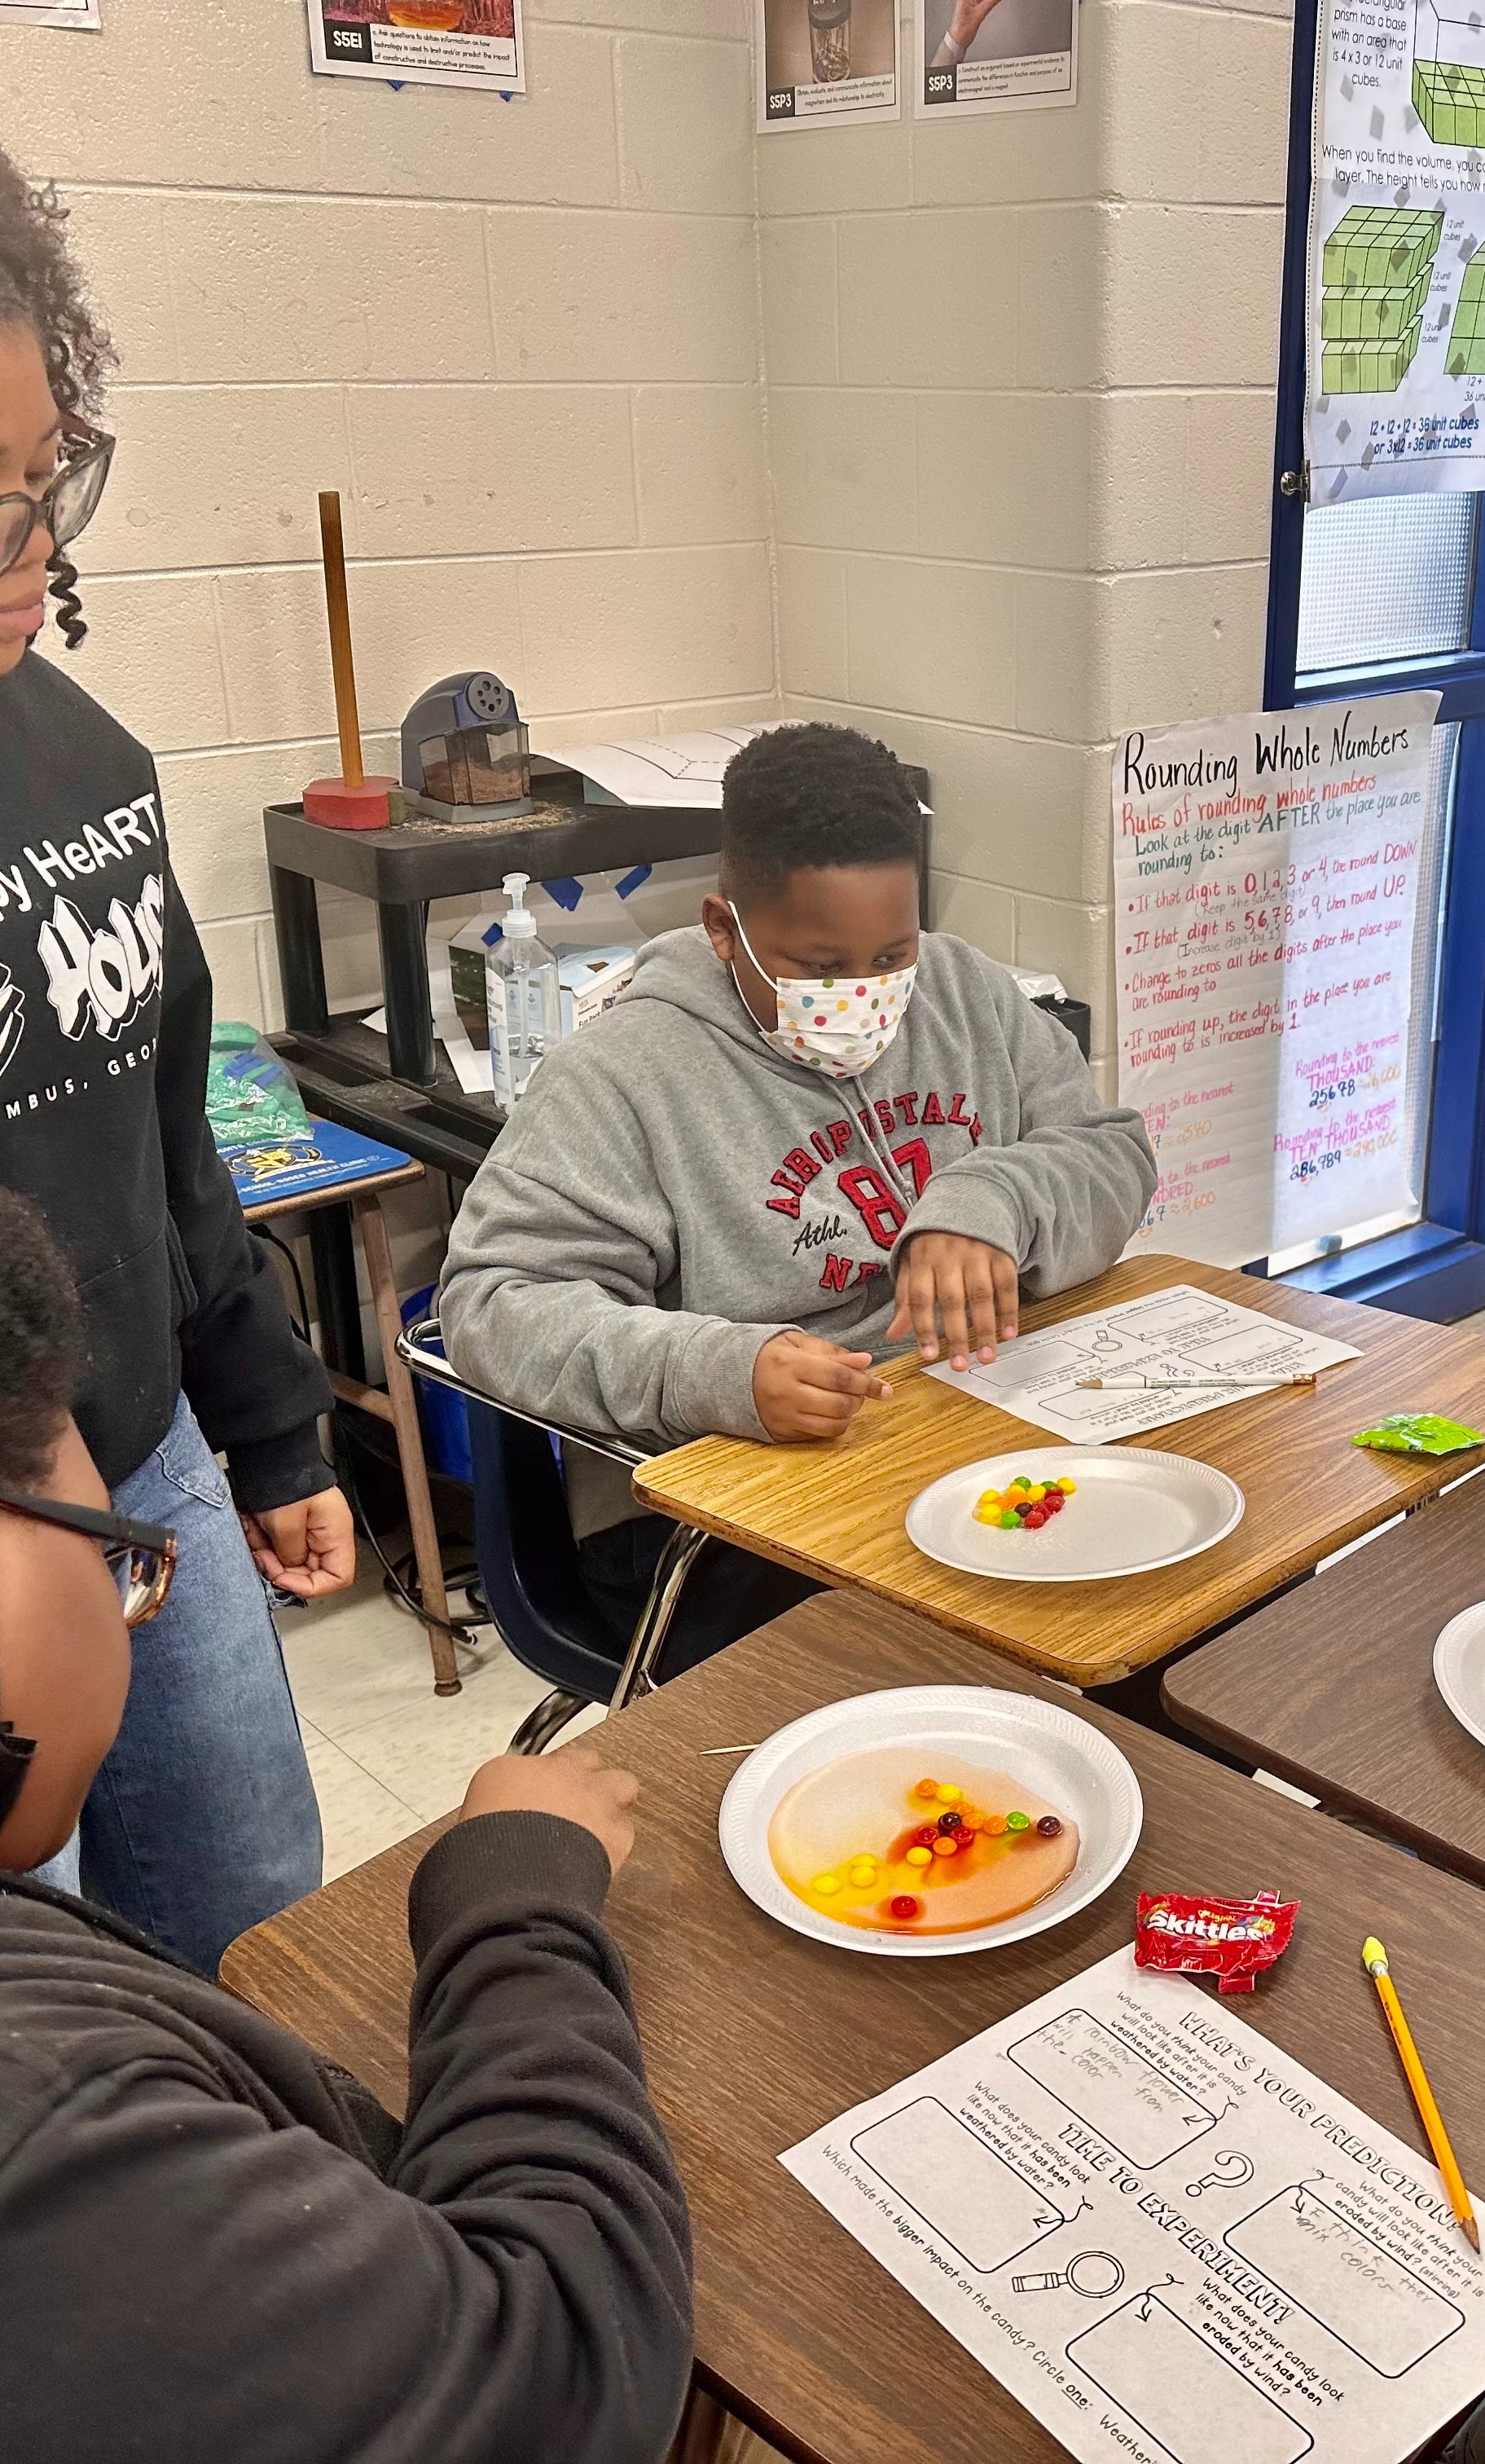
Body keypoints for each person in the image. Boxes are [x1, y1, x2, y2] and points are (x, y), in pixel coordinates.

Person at [0, 1186, 693, 2461]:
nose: (129, 1597)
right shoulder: (52, 2130)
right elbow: (556, 2379)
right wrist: (514, 1905)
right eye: (116, 1553)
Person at [440, 719, 1157, 1667]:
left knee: (1178, 1597)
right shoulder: (624, 1072)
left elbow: (1114, 1157)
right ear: (722, 929)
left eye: (890, 956)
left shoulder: (964, 992)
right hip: (736, 1497)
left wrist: (992, 1200)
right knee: (984, 1664)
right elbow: (492, 1306)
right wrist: (721, 1372)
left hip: (971, 1425)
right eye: (819, 968)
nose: (864, 994)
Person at [0, 147, 340, 1973]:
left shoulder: (80, 757)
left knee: (263, 1945)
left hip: (152, 1464)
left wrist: (272, 1426)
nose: (31, 551)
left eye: (41, 476)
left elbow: (163, 1150)